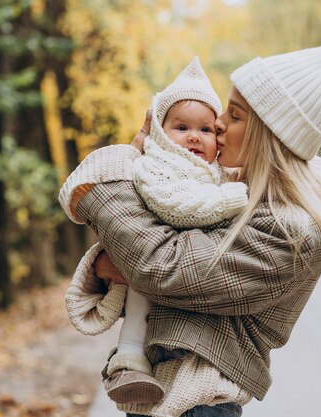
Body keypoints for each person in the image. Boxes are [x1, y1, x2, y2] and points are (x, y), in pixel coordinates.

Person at [59, 44, 321, 417]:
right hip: (161, 398)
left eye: (233, 116)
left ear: (269, 133)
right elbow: (148, 261)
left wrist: (119, 168)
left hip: (196, 406)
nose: (217, 125)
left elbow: (162, 267)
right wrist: (115, 260)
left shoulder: (291, 231)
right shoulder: (233, 195)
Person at [62, 57, 248, 404]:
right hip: (149, 265)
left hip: (188, 308)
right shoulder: (156, 168)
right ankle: (129, 361)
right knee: (138, 311)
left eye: (206, 130)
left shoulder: (219, 176)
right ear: (161, 134)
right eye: (181, 128)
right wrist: (229, 200)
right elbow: (172, 206)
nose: (194, 136)